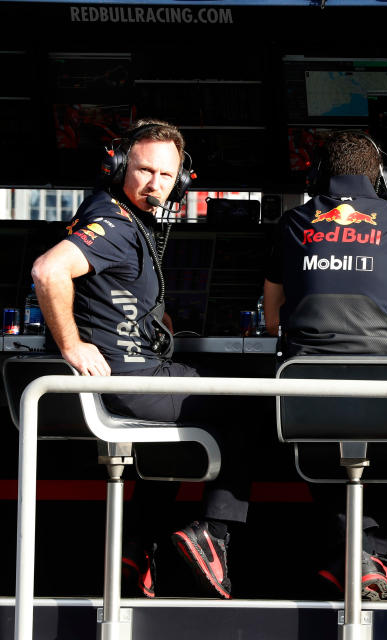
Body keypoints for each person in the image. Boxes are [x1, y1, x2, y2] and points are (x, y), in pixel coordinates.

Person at [31, 119, 251, 600]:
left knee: (180, 427)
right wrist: (71, 345)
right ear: (117, 167)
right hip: (131, 381)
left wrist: (155, 316)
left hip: (134, 378)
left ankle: (136, 547)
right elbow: (49, 270)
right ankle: (214, 533)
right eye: (144, 170)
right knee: (244, 405)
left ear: (181, 181)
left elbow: (110, 290)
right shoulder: (114, 224)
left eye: (166, 176)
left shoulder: (120, 218)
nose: (155, 184)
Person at [262, 130, 387, 599]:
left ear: (316, 177)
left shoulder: (292, 223)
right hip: (383, 400)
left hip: (306, 399)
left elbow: (274, 319)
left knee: (324, 452)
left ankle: (354, 553)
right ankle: (368, 553)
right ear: (385, 180)